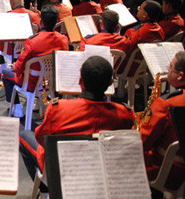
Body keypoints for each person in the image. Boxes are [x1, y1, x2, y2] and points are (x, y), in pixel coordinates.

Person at [19, 56, 134, 183]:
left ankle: (45, 189)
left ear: (80, 81)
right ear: (111, 83)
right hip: (102, 171)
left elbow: (41, 138)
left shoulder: (58, 108)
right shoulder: (126, 114)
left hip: (62, 168)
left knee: (23, 135)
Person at [2, 5, 69, 103]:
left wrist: (14, 66)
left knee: (5, 73)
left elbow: (18, 68)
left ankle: (17, 110)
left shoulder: (33, 41)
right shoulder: (63, 40)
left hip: (33, 83)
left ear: (41, 22)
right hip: (53, 81)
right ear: (56, 22)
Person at [139, 51, 185, 191]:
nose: (168, 70)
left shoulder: (166, 104)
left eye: (170, 67)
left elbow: (143, 142)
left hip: (171, 172)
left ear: (180, 75)